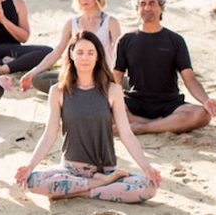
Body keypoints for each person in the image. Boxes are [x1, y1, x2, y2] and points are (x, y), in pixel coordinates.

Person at [15, 31, 161, 203]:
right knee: (32, 181)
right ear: (71, 54)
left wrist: (147, 168)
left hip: (107, 170)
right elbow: (49, 134)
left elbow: (127, 134)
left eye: (91, 53)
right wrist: (29, 166)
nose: (85, 58)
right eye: (80, 52)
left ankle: (83, 190)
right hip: (70, 170)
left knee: (149, 188)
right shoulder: (57, 91)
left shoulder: (112, 90)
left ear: (98, 56)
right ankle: (98, 186)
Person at [112, 0, 216, 134]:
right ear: (137, 8)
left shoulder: (175, 40)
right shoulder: (125, 40)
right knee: (103, 110)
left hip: (169, 103)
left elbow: (189, 79)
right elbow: (115, 80)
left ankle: (140, 127)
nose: (147, 8)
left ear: (161, 8)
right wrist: (114, 103)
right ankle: (159, 125)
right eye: (142, 4)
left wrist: (206, 101)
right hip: (135, 102)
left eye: (152, 3)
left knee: (203, 115)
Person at [21, 0, 121, 93]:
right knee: (39, 79)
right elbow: (57, 52)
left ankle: (88, 90)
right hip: (76, 75)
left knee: (124, 82)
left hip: (102, 74)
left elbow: (119, 52)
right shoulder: (72, 23)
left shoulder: (110, 22)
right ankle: (77, 89)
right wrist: (32, 72)